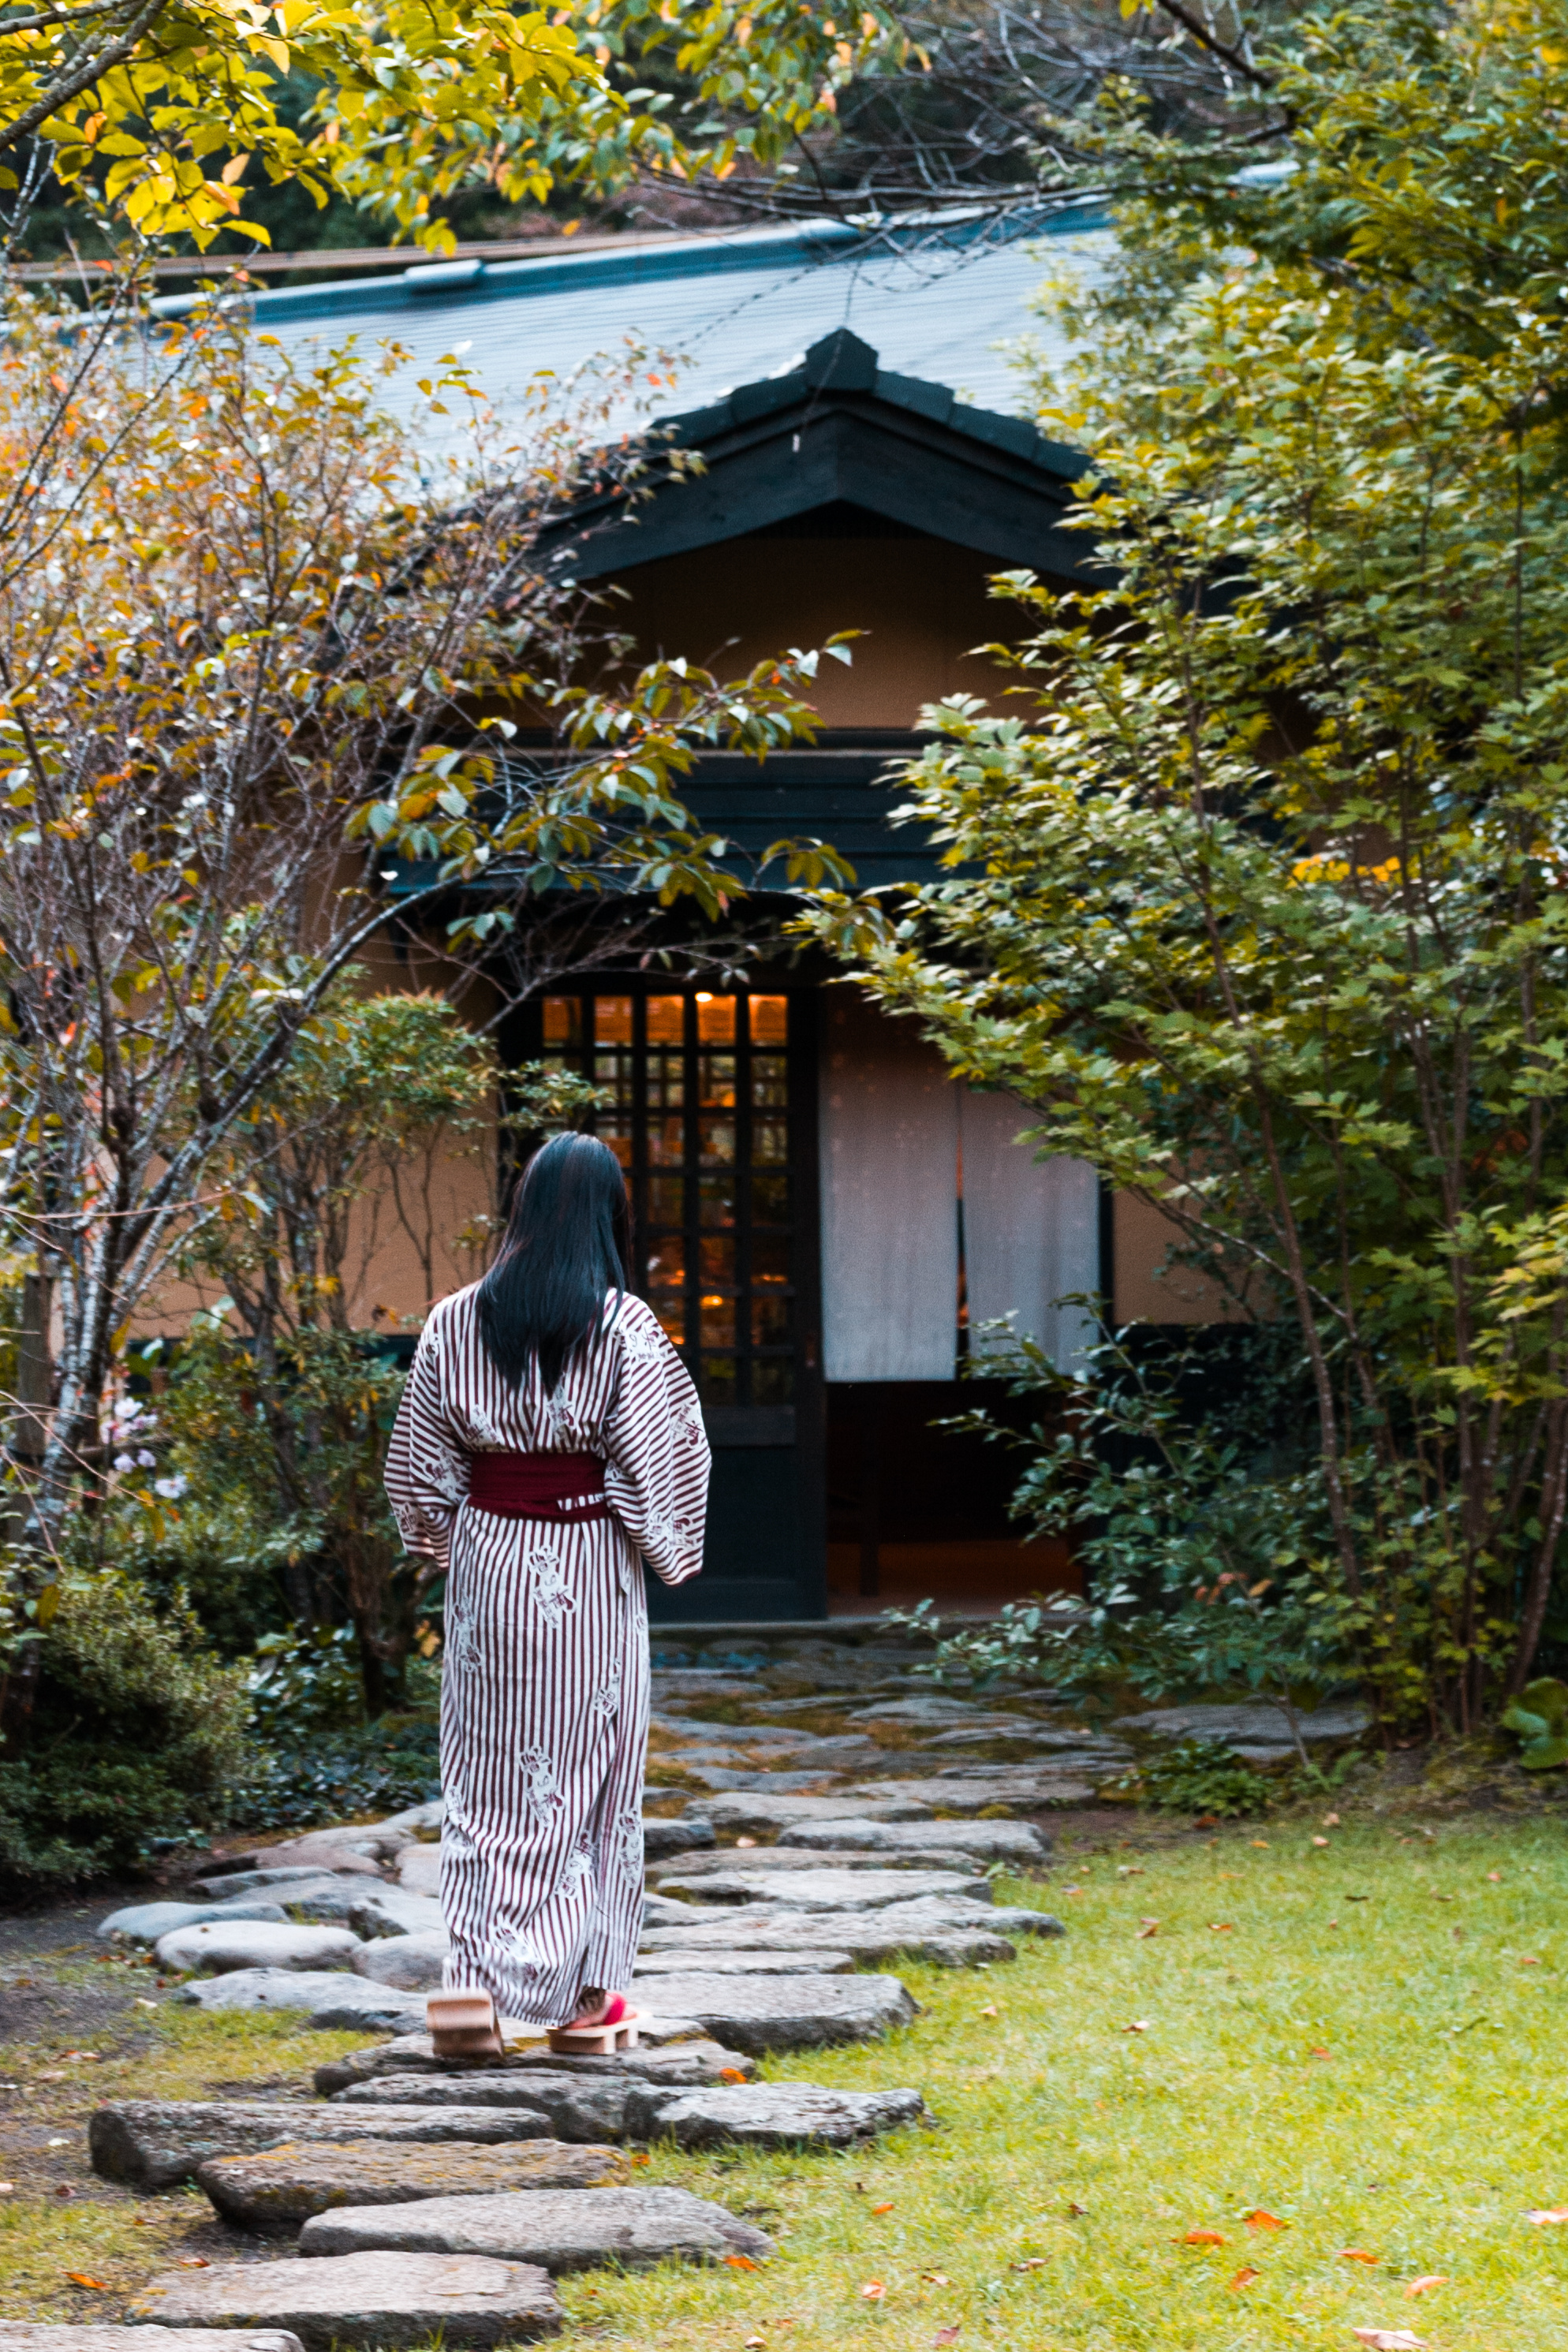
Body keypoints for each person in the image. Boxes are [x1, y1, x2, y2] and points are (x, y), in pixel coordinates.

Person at [383, 1130, 709, 2056]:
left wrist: (452, 1541)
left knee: (485, 1781)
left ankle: (473, 1991)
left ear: (523, 1208)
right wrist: (664, 1540)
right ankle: (581, 2004)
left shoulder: (452, 1319)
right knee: (590, 1779)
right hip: (586, 1566)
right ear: (610, 1214)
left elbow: (414, 1465)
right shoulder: (621, 1325)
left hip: (490, 1561)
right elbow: (664, 1452)